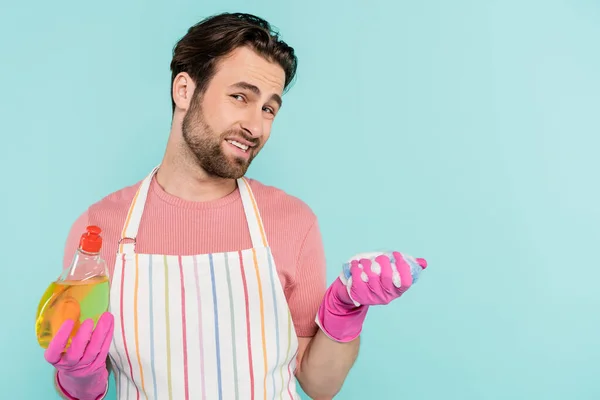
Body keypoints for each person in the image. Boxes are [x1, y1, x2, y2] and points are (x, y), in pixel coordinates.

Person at [41, 12, 426, 400]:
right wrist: (79, 377)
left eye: (269, 109)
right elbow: (86, 376)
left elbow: (319, 385)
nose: (256, 127)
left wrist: (345, 309)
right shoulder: (100, 227)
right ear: (185, 91)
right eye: (240, 97)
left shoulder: (293, 221)